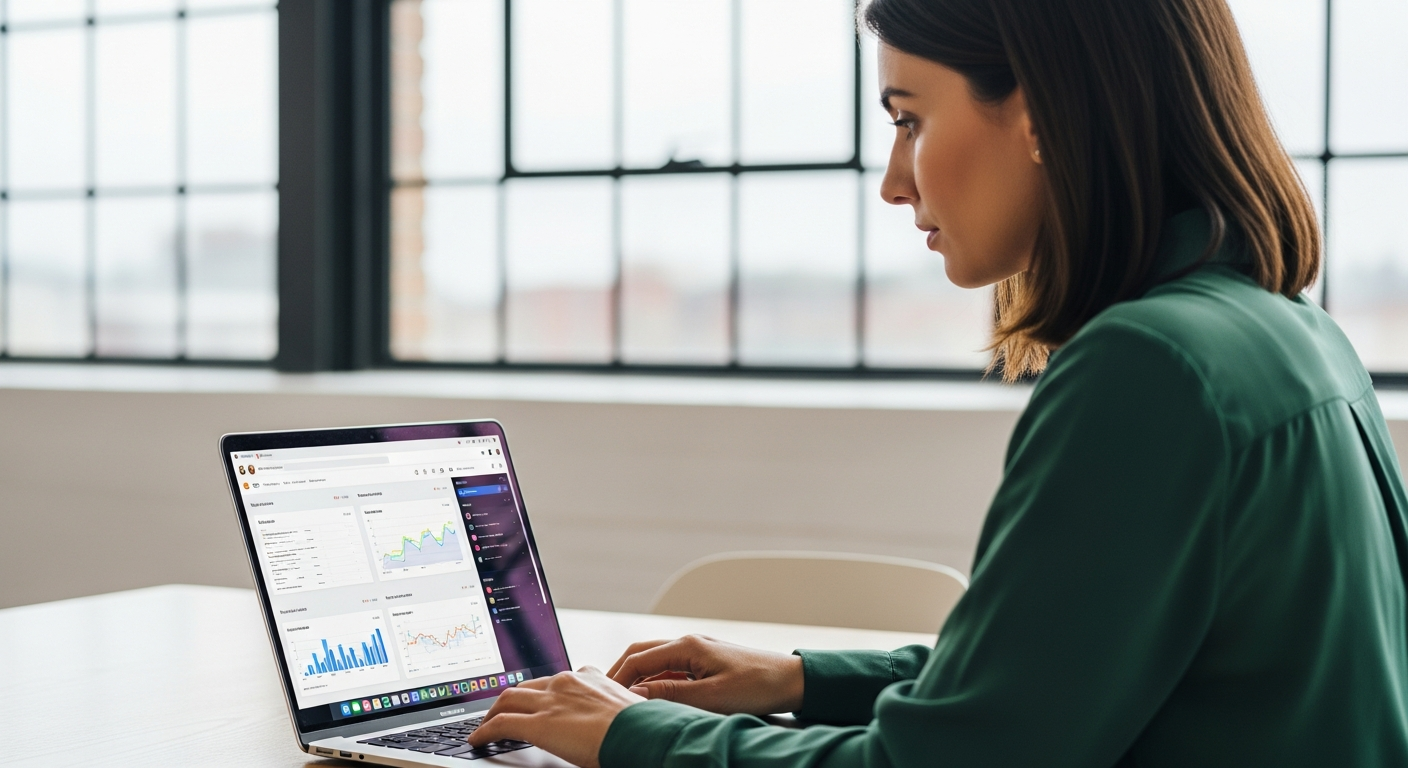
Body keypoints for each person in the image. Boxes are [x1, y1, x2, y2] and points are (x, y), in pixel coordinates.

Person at [470, 0, 1408, 765]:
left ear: (1039, 113)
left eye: (910, 120)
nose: (893, 180)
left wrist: (632, 731)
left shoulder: (1149, 366)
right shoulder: (1295, 333)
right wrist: (803, 676)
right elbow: (1052, 674)